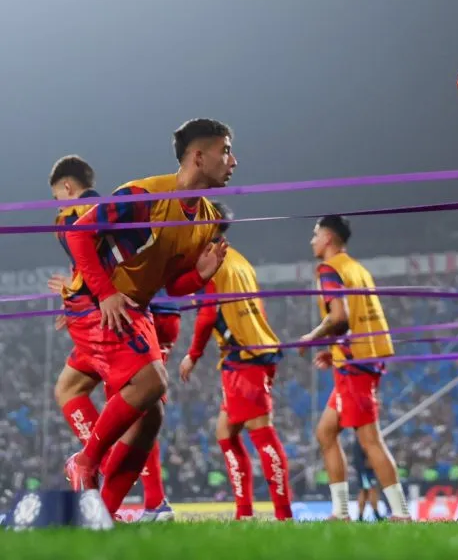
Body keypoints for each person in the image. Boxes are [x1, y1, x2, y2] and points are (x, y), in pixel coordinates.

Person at [61, 118, 233, 517]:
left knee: (152, 415)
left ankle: (100, 515)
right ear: (198, 156)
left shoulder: (205, 221)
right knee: (153, 380)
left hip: (134, 307)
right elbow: (79, 235)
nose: (233, 160)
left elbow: (172, 286)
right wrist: (104, 293)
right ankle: (84, 462)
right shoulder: (144, 194)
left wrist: (198, 276)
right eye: (225, 150)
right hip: (92, 300)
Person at [48, 155, 174, 521]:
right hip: (131, 308)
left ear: (68, 189)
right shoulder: (114, 207)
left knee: (140, 405)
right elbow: (100, 259)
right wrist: (75, 293)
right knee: (72, 391)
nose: (58, 206)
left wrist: (81, 295)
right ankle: (106, 500)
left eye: (57, 197)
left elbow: (86, 252)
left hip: (112, 316)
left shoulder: (74, 214)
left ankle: (98, 476)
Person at [179, 201, 292, 521]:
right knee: (225, 432)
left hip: (245, 357)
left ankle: (284, 515)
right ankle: (244, 512)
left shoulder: (210, 260)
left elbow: (207, 313)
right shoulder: (239, 259)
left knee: (261, 432)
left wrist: (193, 355)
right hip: (252, 352)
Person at [303, 215, 411, 522]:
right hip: (362, 358)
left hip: (355, 366)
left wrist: (311, 338)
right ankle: (340, 512)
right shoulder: (357, 269)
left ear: (327, 239)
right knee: (325, 431)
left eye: (315, 235)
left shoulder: (329, 269)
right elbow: (359, 319)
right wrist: (333, 351)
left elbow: (340, 317)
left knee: (369, 440)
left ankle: (401, 513)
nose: (312, 241)